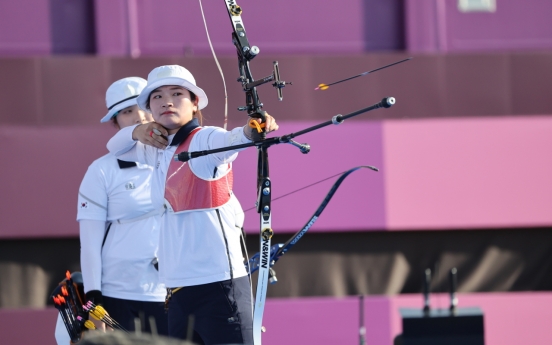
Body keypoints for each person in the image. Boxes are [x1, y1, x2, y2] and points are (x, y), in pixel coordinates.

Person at [106, 65, 278, 345]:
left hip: (219, 287)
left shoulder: (204, 138)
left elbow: (234, 139)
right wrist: (139, 131)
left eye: (177, 94)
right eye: (158, 97)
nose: (167, 102)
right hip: (177, 293)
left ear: (194, 102)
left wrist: (253, 129)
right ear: (150, 106)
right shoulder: (156, 146)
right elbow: (115, 145)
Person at [55, 77, 168, 345]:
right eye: (127, 112)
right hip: (120, 293)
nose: (139, 117)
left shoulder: (176, 157)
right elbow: (90, 243)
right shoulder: (101, 170)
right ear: (115, 123)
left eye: (143, 107)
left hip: (172, 290)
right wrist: (95, 298)